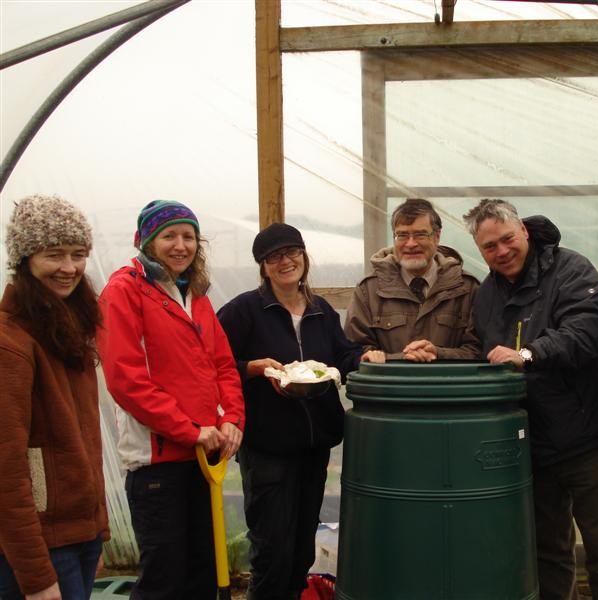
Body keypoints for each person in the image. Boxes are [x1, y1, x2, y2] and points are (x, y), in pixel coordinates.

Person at [463, 198, 598, 600]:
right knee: (549, 553)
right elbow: (479, 352)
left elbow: (585, 331)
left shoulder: (571, 269)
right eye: (490, 247)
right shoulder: (486, 295)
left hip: (590, 435)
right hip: (533, 443)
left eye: (507, 239)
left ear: (523, 230)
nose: (502, 252)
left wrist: (528, 354)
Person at [217, 223, 377, 600]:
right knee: (272, 551)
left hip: (314, 444)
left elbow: (341, 355)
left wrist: (363, 355)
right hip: (268, 447)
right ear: (263, 266)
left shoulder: (320, 309)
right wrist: (254, 368)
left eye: (292, 252)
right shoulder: (244, 310)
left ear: (304, 256)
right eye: (274, 257)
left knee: (302, 550)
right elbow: (212, 364)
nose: (285, 261)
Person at [96, 200, 245, 600]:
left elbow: (223, 366)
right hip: (157, 461)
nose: (180, 245)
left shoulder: (194, 295)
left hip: (203, 455)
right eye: (169, 236)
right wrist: (190, 430)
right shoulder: (124, 291)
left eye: (189, 236)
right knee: (165, 577)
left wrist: (232, 418)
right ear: (146, 240)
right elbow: (126, 380)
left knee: (202, 571)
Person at [0, 195, 109, 600]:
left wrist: (96, 529)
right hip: (40, 545)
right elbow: (5, 474)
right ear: (25, 259)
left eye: (78, 254)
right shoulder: (10, 343)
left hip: (76, 538)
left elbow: (84, 441)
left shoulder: (67, 332)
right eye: (54, 255)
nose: (70, 268)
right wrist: (36, 575)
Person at [345, 198, 480, 361]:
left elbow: (477, 350)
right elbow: (354, 351)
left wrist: (438, 353)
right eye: (402, 235)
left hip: (448, 385)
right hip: (390, 386)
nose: (411, 244)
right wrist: (403, 358)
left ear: (437, 237)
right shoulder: (368, 291)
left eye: (420, 234)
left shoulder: (466, 288)